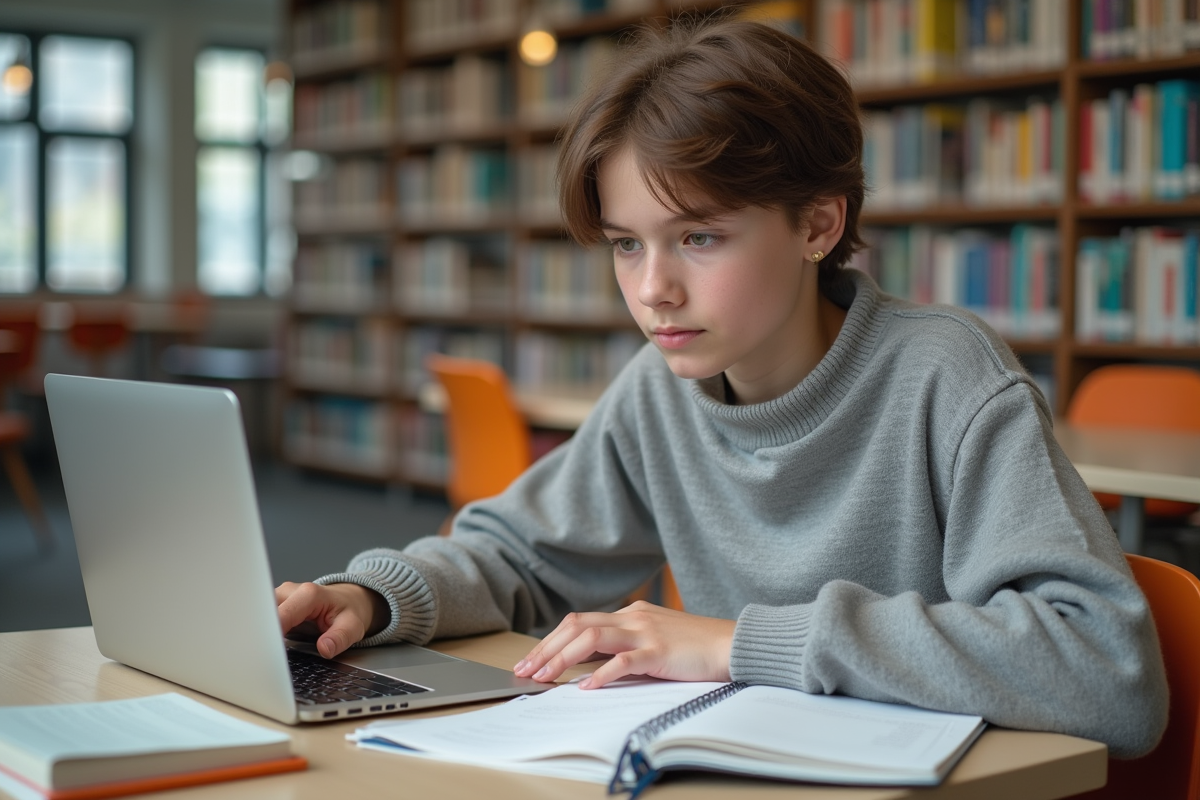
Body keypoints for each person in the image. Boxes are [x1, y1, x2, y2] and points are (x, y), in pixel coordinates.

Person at [276, 16, 1167, 757]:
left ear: (817, 224)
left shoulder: (946, 375)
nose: (652, 289)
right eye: (627, 244)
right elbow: (520, 557)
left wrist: (740, 642)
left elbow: (1107, 673)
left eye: (698, 237)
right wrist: (373, 598)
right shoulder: (661, 391)